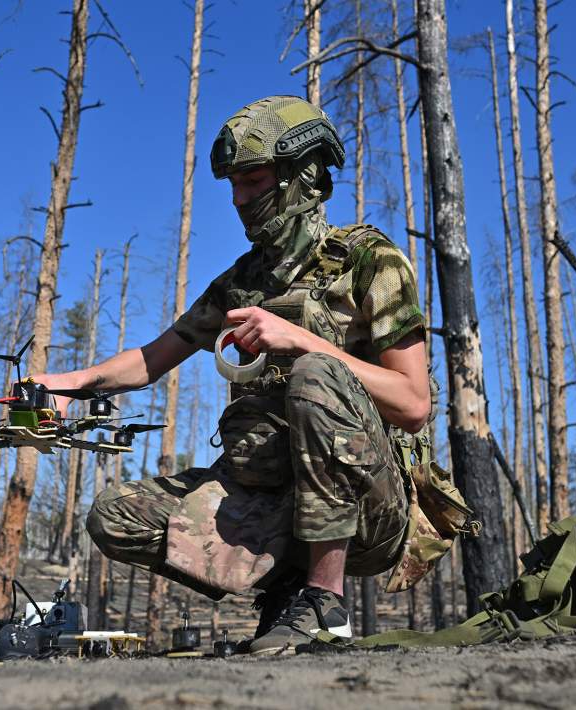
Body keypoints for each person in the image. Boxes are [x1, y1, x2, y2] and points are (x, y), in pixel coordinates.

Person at [33, 95, 436, 655]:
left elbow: (414, 403)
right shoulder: (240, 283)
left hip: (370, 509)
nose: (241, 199)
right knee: (115, 516)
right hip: (271, 500)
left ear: (303, 176)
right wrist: (68, 385)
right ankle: (286, 586)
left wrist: (300, 339)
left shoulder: (369, 261)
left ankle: (325, 601)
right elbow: (153, 358)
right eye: (233, 185)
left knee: (316, 373)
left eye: (254, 180)